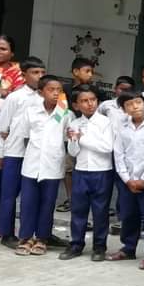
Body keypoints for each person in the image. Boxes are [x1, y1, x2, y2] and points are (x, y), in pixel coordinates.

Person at [12, 76, 70, 255]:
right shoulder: (31, 112)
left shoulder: (64, 113)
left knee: (47, 204)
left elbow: (67, 138)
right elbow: (24, 136)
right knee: (28, 203)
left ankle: (42, 238)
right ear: (40, 92)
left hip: (53, 165)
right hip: (31, 165)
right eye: (51, 90)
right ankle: (25, 237)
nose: (55, 93)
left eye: (59, 90)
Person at [59, 85, 114, 261]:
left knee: (100, 211)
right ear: (76, 105)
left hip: (102, 171)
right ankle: (76, 244)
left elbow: (107, 147)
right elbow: (73, 152)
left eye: (93, 100)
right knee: (78, 210)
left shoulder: (106, 122)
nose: (90, 104)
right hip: (81, 171)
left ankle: (99, 247)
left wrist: (82, 138)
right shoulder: (75, 123)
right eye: (84, 101)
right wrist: (74, 140)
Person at [0, 57, 46, 246]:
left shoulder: (46, 97)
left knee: (35, 196)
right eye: (35, 72)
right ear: (24, 75)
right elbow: (2, 126)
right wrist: (0, 153)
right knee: (9, 194)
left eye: (42, 72)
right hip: (15, 152)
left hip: (37, 153)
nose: (40, 76)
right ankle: (6, 233)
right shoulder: (15, 97)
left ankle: (38, 234)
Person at [109, 91, 144, 266]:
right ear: (124, 110)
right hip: (128, 181)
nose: (135, 106)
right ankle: (128, 248)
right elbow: (119, 154)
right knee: (129, 215)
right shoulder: (123, 128)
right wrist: (127, 179)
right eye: (129, 104)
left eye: (138, 102)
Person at [57, 57, 100, 214]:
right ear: (75, 71)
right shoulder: (64, 90)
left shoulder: (95, 90)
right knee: (69, 167)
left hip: (91, 134)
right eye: (87, 71)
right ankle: (71, 199)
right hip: (70, 134)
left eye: (92, 72)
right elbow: (59, 112)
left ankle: (91, 200)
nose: (90, 75)